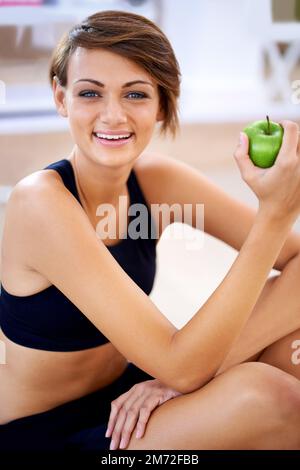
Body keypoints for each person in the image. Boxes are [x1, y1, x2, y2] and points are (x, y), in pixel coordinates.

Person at [1, 10, 300, 452]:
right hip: (46, 434)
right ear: (61, 98)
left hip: (126, 397)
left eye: (135, 94)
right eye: (90, 93)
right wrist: (274, 215)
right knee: (270, 398)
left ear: (161, 104)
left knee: (290, 349)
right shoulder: (39, 202)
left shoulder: (154, 182)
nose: (113, 115)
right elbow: (181, 364)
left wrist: (175, 380)